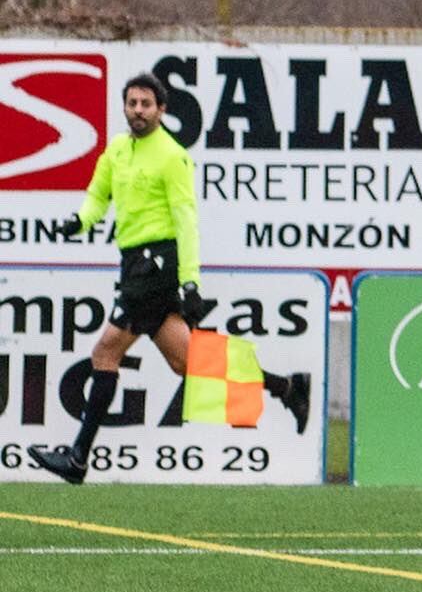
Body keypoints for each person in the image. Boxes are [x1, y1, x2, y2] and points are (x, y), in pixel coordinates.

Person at [28, 71, 310, 484]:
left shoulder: (172, 155)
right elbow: (97, 195)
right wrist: (79, 221)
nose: (138, 111)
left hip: (157, 266)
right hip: (132, 263)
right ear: (125, 107)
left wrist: (190, 280)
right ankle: (286, 388)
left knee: (105, 352)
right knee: (186, 362)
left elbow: (186, 221)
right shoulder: (118, 149)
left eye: (146, 104)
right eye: (132, 103)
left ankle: (77, 459)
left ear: (161, 110)